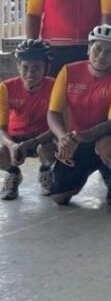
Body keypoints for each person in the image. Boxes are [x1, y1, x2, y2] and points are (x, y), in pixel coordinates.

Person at [46, 25, 111, 206]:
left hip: (107, 135)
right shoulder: (68, 71)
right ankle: (90, 166)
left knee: (108, 148)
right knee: (59, 198)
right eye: (97, 49)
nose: (101, 55)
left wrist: (81, 137)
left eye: (109, 52)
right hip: (76, 136)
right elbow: (53, 112)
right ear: (88, 49)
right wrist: (63, 138)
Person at [0, 40, 57, 199]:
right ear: (18, 67)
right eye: (25, 67)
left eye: (37, 68)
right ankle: (13, 173)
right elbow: (1, 127)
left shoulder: (55, 87)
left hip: (44, 137)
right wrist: (11, 145)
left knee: (49, 152)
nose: (30, 73)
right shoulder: (6, 87)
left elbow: (59, 125)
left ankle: (46, 170)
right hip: (16, 137)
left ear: (47, 68)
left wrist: (33, 142)